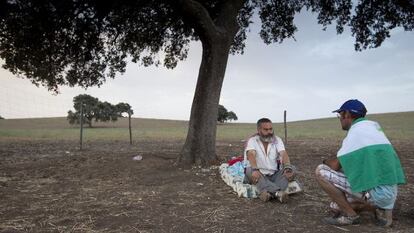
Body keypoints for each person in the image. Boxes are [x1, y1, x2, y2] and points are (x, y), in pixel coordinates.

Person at [315, 99, 406, 226]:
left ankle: (351, 216)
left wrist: (325, 161)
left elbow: (335, 165)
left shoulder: (355, 132)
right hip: (389, 195)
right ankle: (382, 213)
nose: (340, 119)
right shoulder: (373, 129)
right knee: (335, 205)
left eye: (340, 115)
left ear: (347, 114)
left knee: (321, 171)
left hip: (378, 195)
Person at [244, 118, 295, 203]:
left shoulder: (277, 140)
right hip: (258, 173)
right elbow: (251, 154)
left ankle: (266, 192)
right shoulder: (253, 141)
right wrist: (255, 169)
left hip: (274, 174)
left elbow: (283, 153)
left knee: (292, 168)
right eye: (266, 129)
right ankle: (277, 193)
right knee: (249, 170)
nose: (269, 132)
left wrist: (287, 167)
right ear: (259, 130)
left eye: (271, 129)